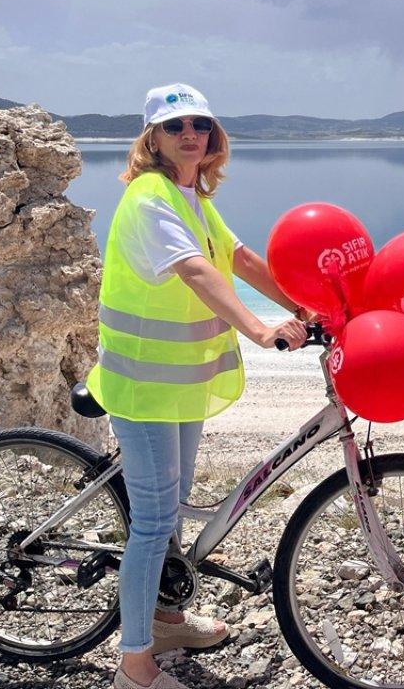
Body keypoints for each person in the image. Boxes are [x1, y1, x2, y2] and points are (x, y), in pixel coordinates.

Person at [85, 83, 308, 689]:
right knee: (155, 522)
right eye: (175, 125)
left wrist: (307, 307)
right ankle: (134, 666)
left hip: (178, 383)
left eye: (200, 125)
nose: (190, 134)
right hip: (143, 388)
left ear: (212, 138)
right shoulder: (150, 197)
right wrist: (262, 331)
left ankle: (166, 620)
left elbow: (236, 258)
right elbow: (194, 269)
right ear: (152, 138)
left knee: (174, 505)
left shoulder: (192, 197)